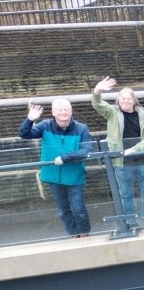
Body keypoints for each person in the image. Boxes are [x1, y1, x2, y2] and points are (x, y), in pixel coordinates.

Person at [92, 76, 144, 228]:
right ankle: (131, 222)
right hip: (121, 162)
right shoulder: (112, 112)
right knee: (126, 195)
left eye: (129, 98)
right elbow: (97, 103)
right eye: (122, 98)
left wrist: (136, 149)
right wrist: (97, 89)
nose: (126, 101)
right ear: (118, 101)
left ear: (134, 101)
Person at [20, 99, 92, 237]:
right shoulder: (46, 126)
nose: (63, 112)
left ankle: (84, 233)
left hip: (74, 176)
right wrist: (30, 119)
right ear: (53, 112)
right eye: (59, 110)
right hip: (53, 176)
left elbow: (86, 150)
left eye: (66, 109)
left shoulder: (81, 128)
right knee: (63, 210)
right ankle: (73, 234)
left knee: (78, 209)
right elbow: (25, 134)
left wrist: (64, 158)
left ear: (71, 111)